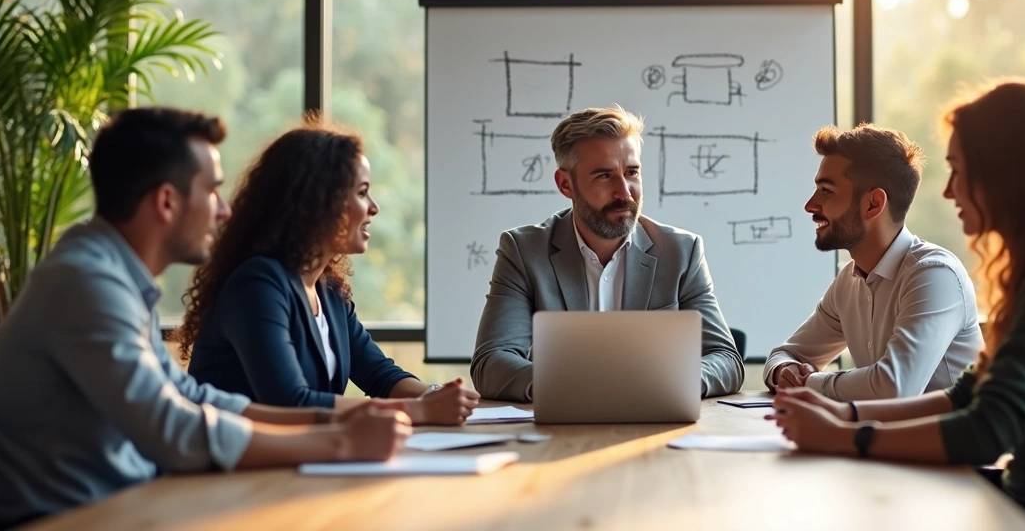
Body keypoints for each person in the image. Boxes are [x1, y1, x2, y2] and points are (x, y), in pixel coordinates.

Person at [769, 80, 1025, 516]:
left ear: (1006, 175)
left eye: (959, 171)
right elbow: (967, 396)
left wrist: (845, 435)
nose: (948, 191)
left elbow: (989, 428)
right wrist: (845, 418)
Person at [0, 108, 411, 528]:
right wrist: (338, 442)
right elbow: (173, 429)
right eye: (211, 190)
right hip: (62, 520)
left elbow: (194, 398)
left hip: (121, 506)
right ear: (166, 201)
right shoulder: (85, 283)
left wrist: (334, 420)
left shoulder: (112, 276)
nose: (224, 210)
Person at [177, 123, 478, 425]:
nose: (374, 208)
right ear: (319, 201)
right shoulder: (257, 284)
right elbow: (290, 403)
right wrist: (420, 411)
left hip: (299, 461)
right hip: (238, 468)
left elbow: (379, 376)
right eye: (362, 193)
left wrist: (437, 395)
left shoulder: (328, 289)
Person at [470, 105, 744, 402]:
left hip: (655, 424)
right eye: (604, 176)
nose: (624, 192)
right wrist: (569, 387)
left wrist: (673, 382)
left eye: (632, 172)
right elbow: (491, 363)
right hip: (563, 430)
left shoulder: (681, 251)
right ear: (566, 184)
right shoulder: (524, 251)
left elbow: (726, 359)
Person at [763, 124, 983, 400]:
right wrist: (785, 370)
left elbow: (894, 387)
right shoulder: (849, 280)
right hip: (882, 440)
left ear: (873, 204)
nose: (810, 205)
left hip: (949, 443)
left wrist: (810, 384)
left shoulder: (934, 275)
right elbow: (787, 354)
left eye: (827, 191)